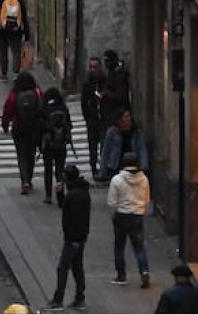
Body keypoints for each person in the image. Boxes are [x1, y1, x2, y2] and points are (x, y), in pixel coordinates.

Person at [47, 164, 91, 309]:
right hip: (77, 237)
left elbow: (76, 219)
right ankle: (79, 298)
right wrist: (60, 194)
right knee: (77, 267)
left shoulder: (75, 195)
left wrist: (76, 239)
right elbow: (65, 206)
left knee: (63, 268)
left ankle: (59, 299)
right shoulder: (78, 192)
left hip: (73, 238)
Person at [107, 152, 152, 287]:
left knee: (119, 246)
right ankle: (144, 270)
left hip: (121, 215)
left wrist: (113, 214)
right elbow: (147, 199)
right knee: (139, 246)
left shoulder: (117, 180)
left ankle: (121, 275)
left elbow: (111, 202)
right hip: (137, 215)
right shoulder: (144, 179)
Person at [1, 71, 43, 194]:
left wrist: (5, 126)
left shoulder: (14, 94)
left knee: (21, 155)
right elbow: (43, 107)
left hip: (19, 128)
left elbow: (7, 111)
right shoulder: (37, 92)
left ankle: (24, 180)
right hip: (34, 128)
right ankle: (29, 178)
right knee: (31, 154)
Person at [41, 87, 73, 205]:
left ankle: (48, 195)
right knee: (59, 171)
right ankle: (60, 195)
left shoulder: (44, 109)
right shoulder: (63, 108)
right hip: (61, 145)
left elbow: (40, 127)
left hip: (48, 145)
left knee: (48, 170)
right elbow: (69, 125)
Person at [100, 108, 150, 182]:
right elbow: (106, 151)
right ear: (119, 120)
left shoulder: (136, 133)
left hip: (132, 164)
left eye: (129, 116)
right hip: (116, 165)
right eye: (125, 117)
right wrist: (103, 170)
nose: (128, 119)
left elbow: (141, 149)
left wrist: (144, 167)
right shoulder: (112, 132)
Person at [80, 56, 108, 178]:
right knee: (92, 146)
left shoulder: (105, 81)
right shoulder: (87, 83)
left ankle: (103, 168)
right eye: (90, 67)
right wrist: (87, 117)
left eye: (95, 67)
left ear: (100, 67)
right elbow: (83, 101)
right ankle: (93, 168)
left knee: (104, 144)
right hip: (92, 118)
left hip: (103, 117)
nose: (92, 70)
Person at [102, 49, 132, 128]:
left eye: (107, 61)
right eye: (105, 61)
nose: (106, 64)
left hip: (117, 114)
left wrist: (107, 93)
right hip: (111, 113)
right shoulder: (111, 73)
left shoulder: (119, 75)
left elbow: (121, 96)